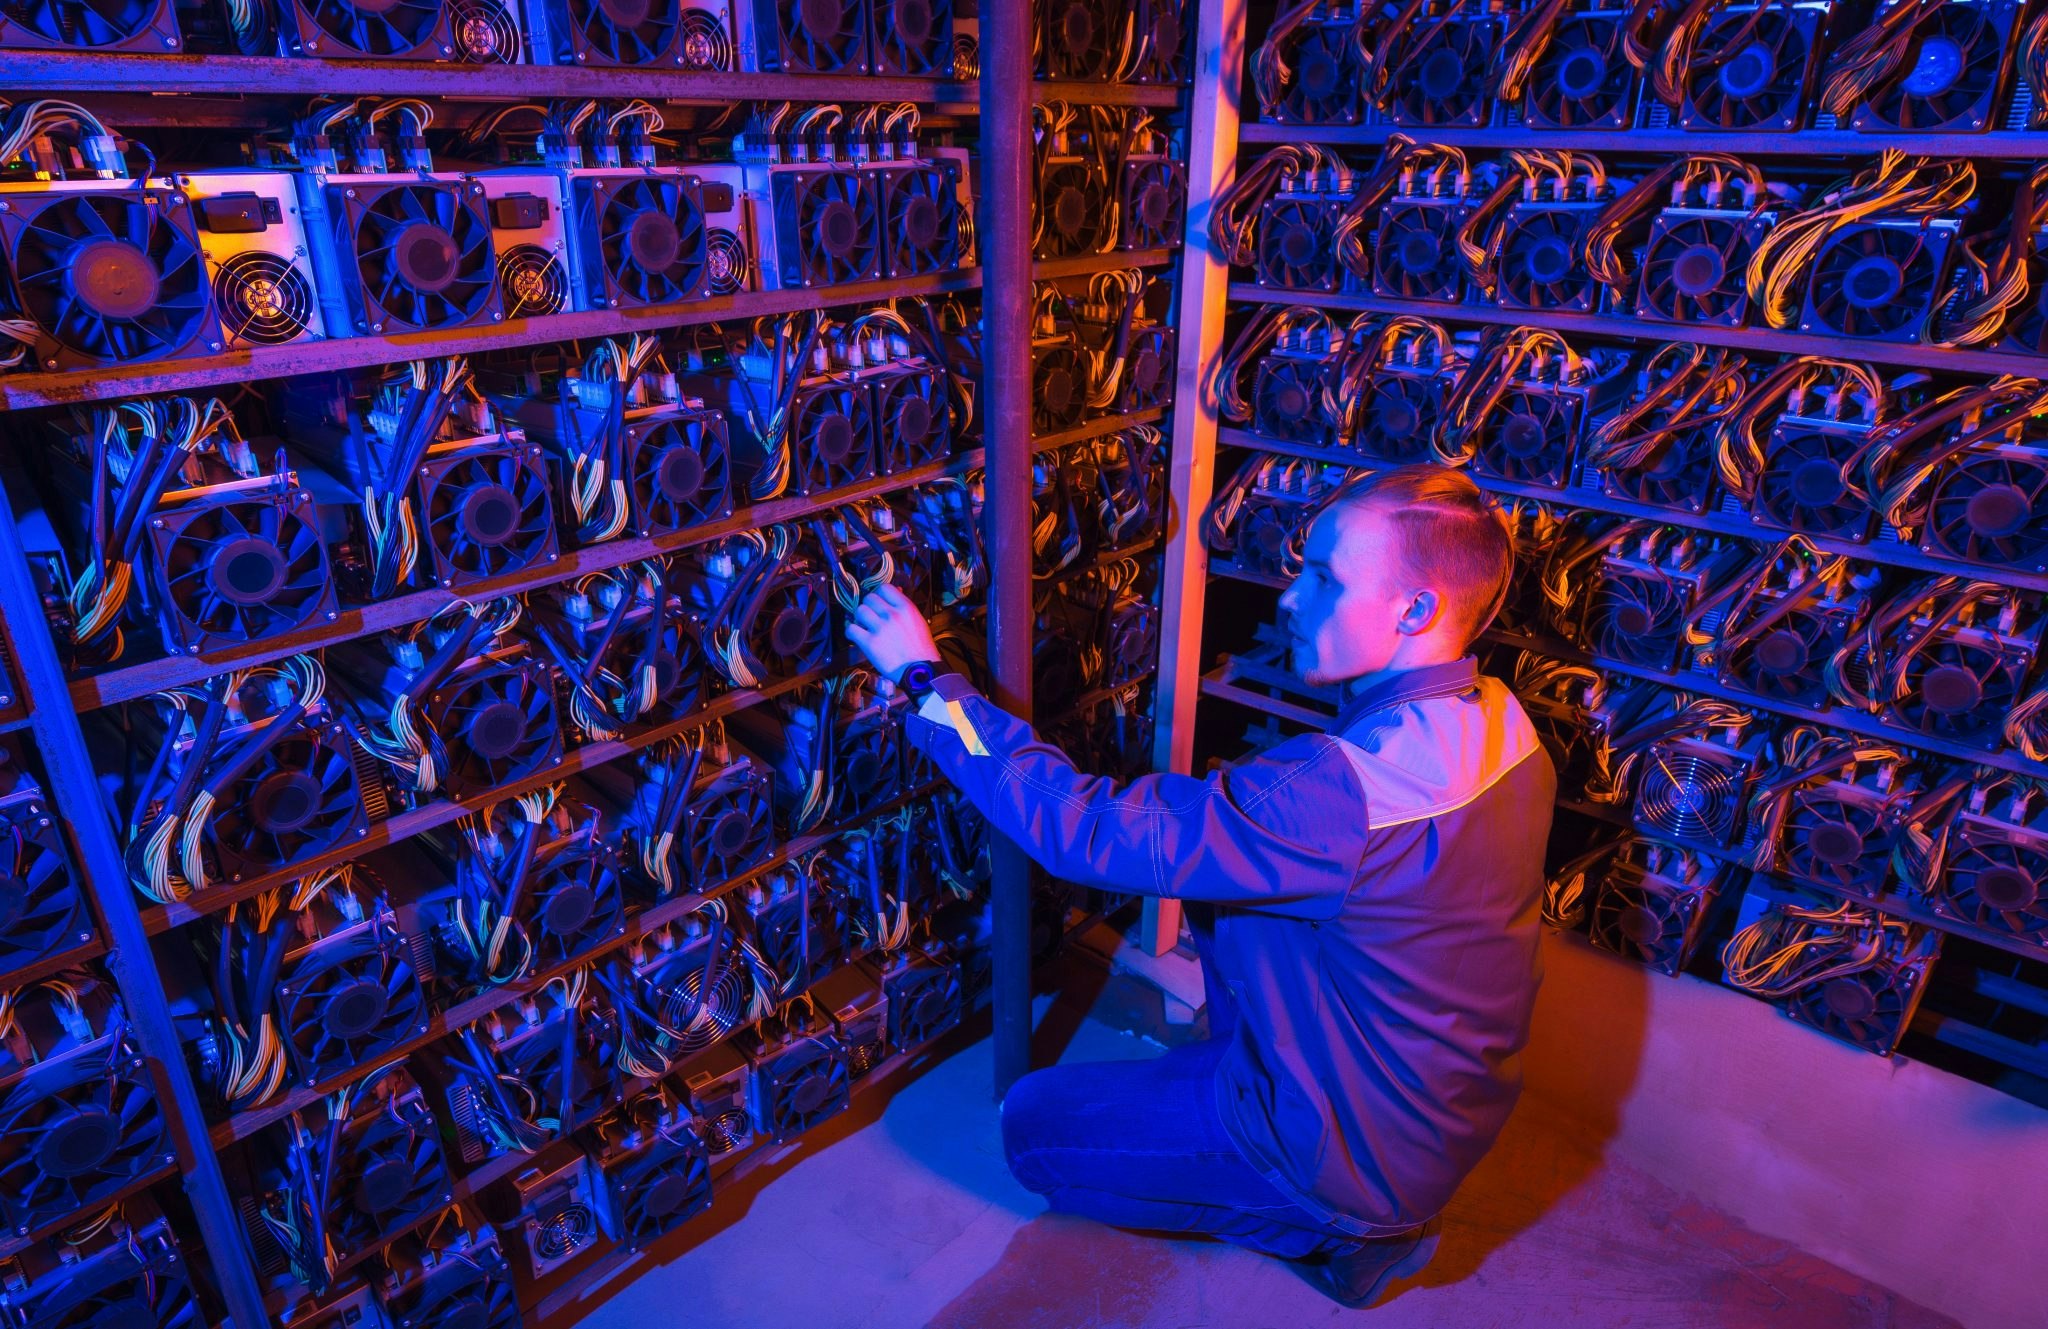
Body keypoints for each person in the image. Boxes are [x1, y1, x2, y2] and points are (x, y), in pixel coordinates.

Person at [844, 463, 1556, 1308]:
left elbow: (1083, 828)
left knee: (1031, 1126)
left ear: (1414, 610)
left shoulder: (1340, 795)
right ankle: (1344, 1189)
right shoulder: (1504, 722)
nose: (1291, 599)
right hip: (1437, 1116)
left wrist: (924, 682)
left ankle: (1336, 1231)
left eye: (1325, 577)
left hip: (1339, 1151)